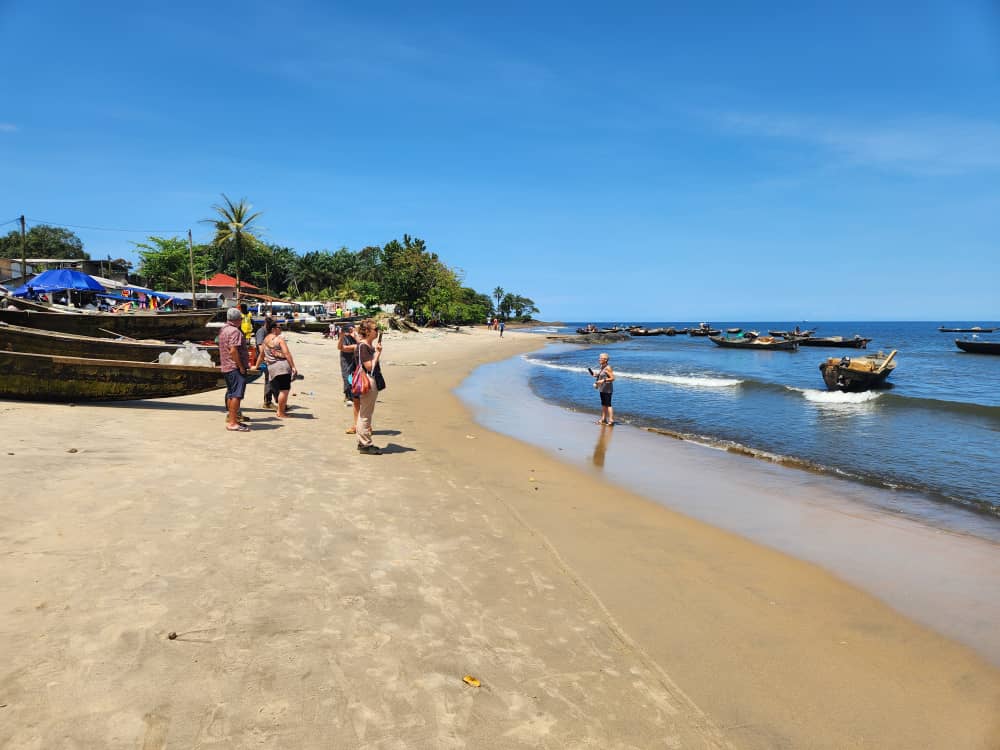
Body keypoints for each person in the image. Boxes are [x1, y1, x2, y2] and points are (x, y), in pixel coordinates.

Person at [255, 319, 298, 418]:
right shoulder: (279, 340)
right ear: (273, 329)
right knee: (284, 390)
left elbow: (261, 355)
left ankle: (279, 410)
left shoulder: (265, 340)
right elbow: (287, 354)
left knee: (279, 390)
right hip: (283, 368)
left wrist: (256, 366)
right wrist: (293, 367)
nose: (281, 329)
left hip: (272, 369)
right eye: (279, 327)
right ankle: (281, 412)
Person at [354, 319, 383, 454]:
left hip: (369, 379)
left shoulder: (366, 346)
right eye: (375, 329)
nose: (377, 331)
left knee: (365, 412)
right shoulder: (363, 346)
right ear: (367, 331)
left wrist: (376, 351)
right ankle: (365, 443)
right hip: (367, 380)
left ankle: (363, 442)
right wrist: (377, 353)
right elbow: (369, 366)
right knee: (365, 414)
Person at [220, 307, 251, 432]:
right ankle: (232, 423)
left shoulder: (223, 329)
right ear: (238, 319)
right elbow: (233, 351)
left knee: (231, 394)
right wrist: (241, 366)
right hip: (234, 367)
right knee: (236, 395)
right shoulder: (235, 331)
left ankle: (232, 419)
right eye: (241, 319)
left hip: (226, 366)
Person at [338, 324, 360, 420]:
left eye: (351, 329)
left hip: (355, 360)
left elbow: (362, 345)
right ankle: (348, 396)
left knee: (354, 378)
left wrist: (355, 335)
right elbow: (341, 347)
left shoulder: (357, 336)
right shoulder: (344, 337)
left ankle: (353, 396)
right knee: (347, 377)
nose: (350, 331)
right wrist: (341, 335)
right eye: (348, 329)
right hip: (345, 360)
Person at [255, 317, 275, 409]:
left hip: (268, 358)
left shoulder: (269, 331)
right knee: (269, 379)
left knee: (271, 379)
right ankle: (267, 402)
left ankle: (270, 401)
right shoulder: (261, 332)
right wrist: (267, 358)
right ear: (266, 324)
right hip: (262, 359)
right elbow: (261, 348)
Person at [593, 352, 615, 425]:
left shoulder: (608, 367)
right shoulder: (602, 366)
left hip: (608, 389)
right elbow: (602, 375)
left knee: (608, 405)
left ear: (605, 360)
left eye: (601, 358)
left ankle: (611, 420)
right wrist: (596, 375)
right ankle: (603, 419)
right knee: (603, 404)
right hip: (602, 388)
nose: (599, 359)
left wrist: (603, 380)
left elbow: (613, 378)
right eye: (599, 358)